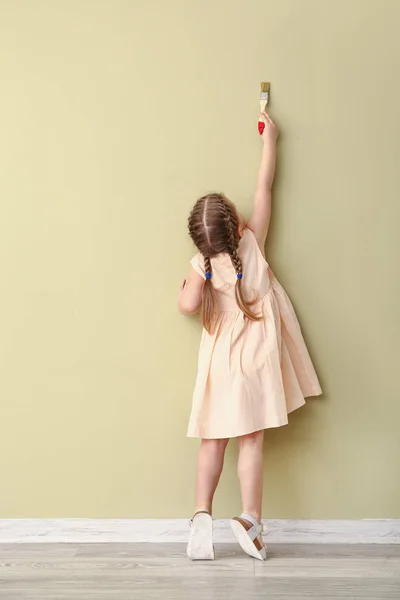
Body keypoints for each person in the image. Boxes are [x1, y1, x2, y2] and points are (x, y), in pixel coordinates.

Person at [178, 112, 322, 561]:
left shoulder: (204, 265)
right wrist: (270, 140)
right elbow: (265, 186)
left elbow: (186, 306)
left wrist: (195, 277)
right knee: (251, 440)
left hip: (221, 361)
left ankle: (201, 514)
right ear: (236, 223)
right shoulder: (253, 242)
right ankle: (250, 519)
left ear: (202, 243)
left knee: (212, 440)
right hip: (258, 358)